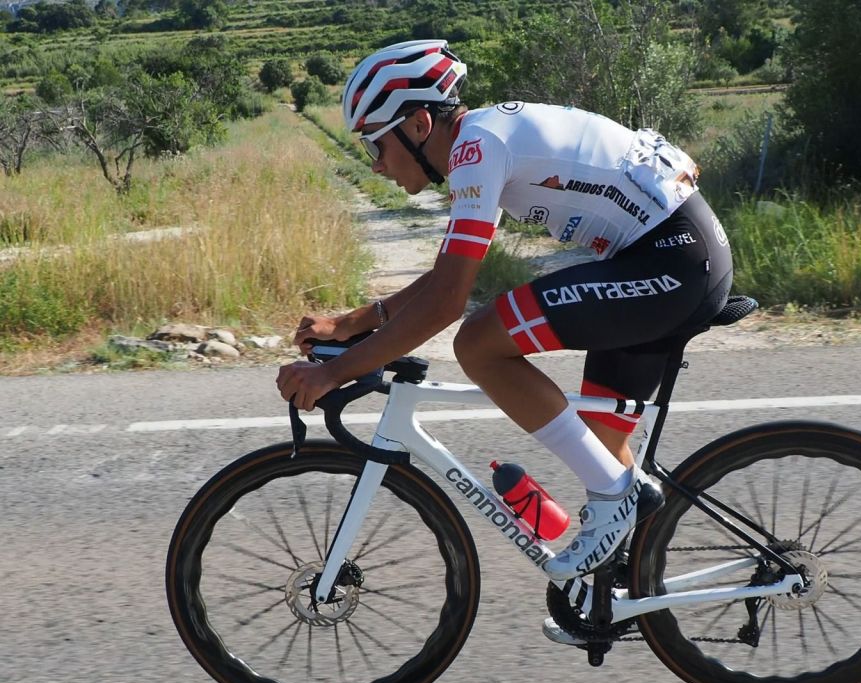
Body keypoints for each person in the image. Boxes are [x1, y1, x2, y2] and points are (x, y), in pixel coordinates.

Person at [276, 40, 733, 601]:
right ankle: (618, 599)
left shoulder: (478, 147)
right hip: (666, 259)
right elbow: (449, 275)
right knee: (599, 449)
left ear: (419, 124)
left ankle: (619, 499)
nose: (374, 163)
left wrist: (333, 372)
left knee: (479, 343)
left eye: (376, 144)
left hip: (672, 262)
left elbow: (447, 302)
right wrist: (352, 323)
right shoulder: (483, 140)